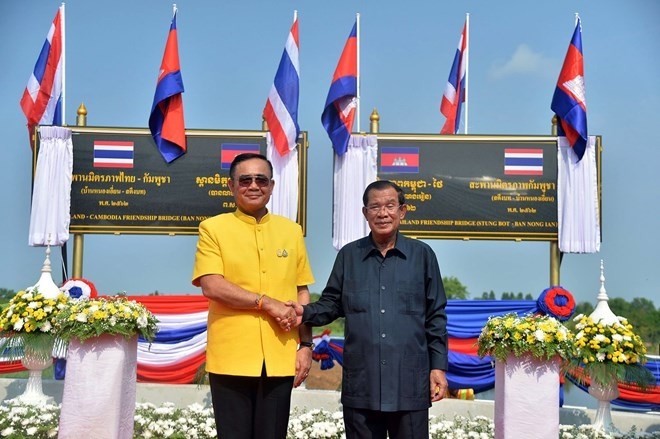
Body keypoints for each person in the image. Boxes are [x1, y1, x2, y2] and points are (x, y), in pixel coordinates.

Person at [288, 180, 448, 439]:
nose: (382, 213)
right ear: (365, 213)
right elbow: (331, 304)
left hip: (408, 384)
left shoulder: (423, 256)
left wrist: (438, 367)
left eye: (389, 206)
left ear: (402, 211)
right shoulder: (349, 256)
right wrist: (303, 312)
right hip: (362, 385)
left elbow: (436, 317)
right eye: (374, 207)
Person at [191, 153, 315, 439]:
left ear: (271, 186)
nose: (253, 185)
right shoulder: (213, 229)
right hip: (231, 356)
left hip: (280, 354)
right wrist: (265, 302)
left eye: (261, 179)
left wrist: (306, 345)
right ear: (231, 186)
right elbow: (211, 284)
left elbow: (302, 291)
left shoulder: (291, 231)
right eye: (245, 179)